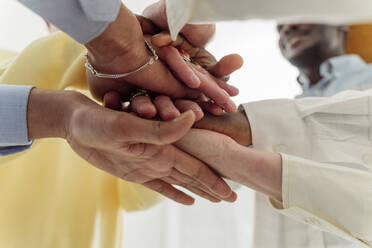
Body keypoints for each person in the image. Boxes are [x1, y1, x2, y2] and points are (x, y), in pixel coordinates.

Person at [130, 7, 372, 247]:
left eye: (298, 15)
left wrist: (240, 127)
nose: (288, 27)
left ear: (341, 22)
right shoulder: (290, 107)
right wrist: (192, 100)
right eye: (280, 28)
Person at [1, 0, 241, 204]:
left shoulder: (116, 122)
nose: (73, 30)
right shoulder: (10, 60)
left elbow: (140, 193)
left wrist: (173, 118)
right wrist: (97, 51)